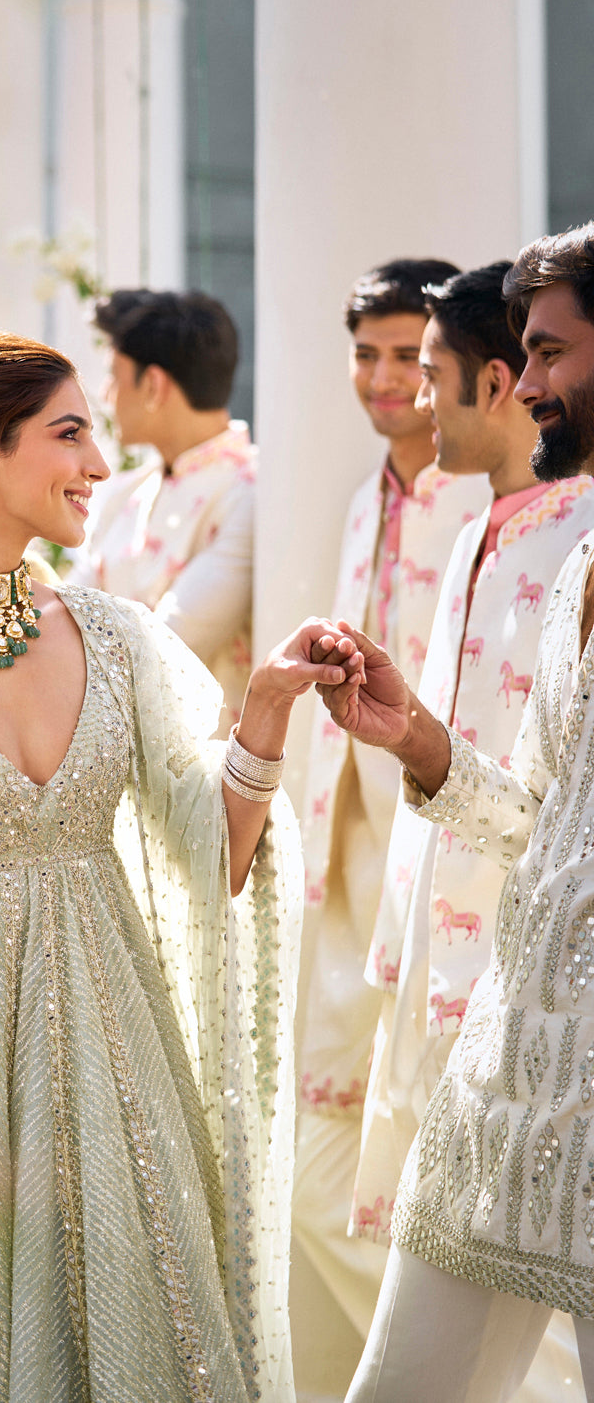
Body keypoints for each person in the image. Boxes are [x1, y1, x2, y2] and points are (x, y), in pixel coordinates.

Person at [0, 330, 361, 1402]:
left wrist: (266, 710)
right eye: (70, 434)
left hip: (113, 1082)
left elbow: (211, 855)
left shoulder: (115, 638)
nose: (98, 465)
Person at [312, 222, 594, 1401]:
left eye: (549, 353)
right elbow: (544, 821)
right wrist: (419, 740)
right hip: (504, 1081)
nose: (524, 385)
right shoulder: (577, 568)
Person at [291, 258, 490, 1396]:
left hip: (452, 883)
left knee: (422, 1183)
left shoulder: (491, 500)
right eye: (363, 355)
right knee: (320, 1181)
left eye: (406, 358)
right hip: (348, 872)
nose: (382, 380)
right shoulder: (369, 494)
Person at [72, 288, 253, 734]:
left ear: (153, 385)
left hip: (214, 779)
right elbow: (65, 613)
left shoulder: (253, 491)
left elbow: (172, 645)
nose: (106, 394)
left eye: (115, 375)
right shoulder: (123, 492)